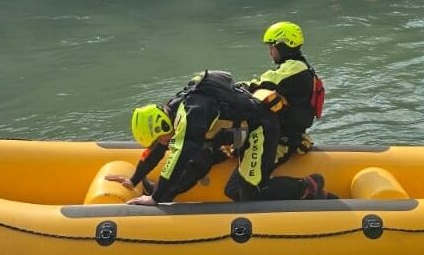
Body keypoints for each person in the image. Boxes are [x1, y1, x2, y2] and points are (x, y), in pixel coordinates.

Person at [118, 70, 330, 205]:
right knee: (202, 158)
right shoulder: (173, 109)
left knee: (247, 193)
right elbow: (161, 149)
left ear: (162, 126)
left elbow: (181, 153)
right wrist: (134, 179)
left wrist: (153, 199)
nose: (162, 144)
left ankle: (306, 186)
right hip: (237, 132)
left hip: (260, 129)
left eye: (159, 139)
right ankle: (165, 195)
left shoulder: (193, 112)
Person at [245, 21, 326, 166]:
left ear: (283, 46)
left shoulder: (294, 68)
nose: (270, 51)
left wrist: (232, 87)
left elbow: (262, 83)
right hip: (291, 132)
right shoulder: (302, 67)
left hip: (285, 138)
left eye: (272, 47)